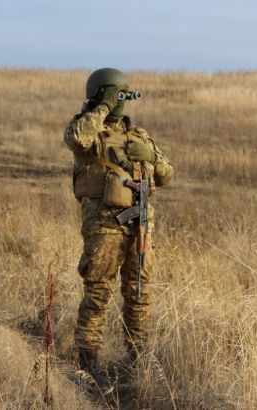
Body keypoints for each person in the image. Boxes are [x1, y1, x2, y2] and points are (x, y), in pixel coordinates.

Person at [63, 68, 173, 384]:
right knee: (98, 293)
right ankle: (87, 362)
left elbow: (167, 175)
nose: (120, 101)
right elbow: (74, 138)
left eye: (121, 95)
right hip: (104, 228)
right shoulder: (88, 132)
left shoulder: (139, 136)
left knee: (139, 294)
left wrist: (151, 154)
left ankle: (136, 360)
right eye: (115, 93)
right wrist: (102, 107)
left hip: (138, 226)